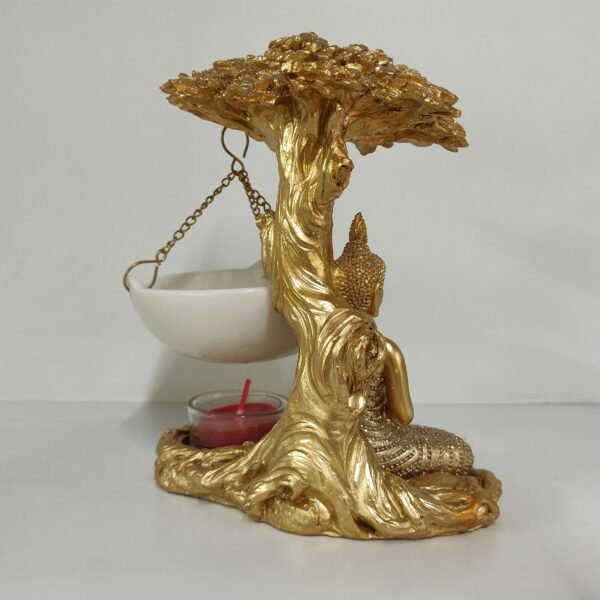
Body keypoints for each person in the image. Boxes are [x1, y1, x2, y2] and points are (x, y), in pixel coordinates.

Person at [333, 213, 474, 477]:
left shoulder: (326, 347)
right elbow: (404, 416)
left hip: (335, 444)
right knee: (459, 452)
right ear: (375, 294)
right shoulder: (384, 350)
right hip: (381, 447)